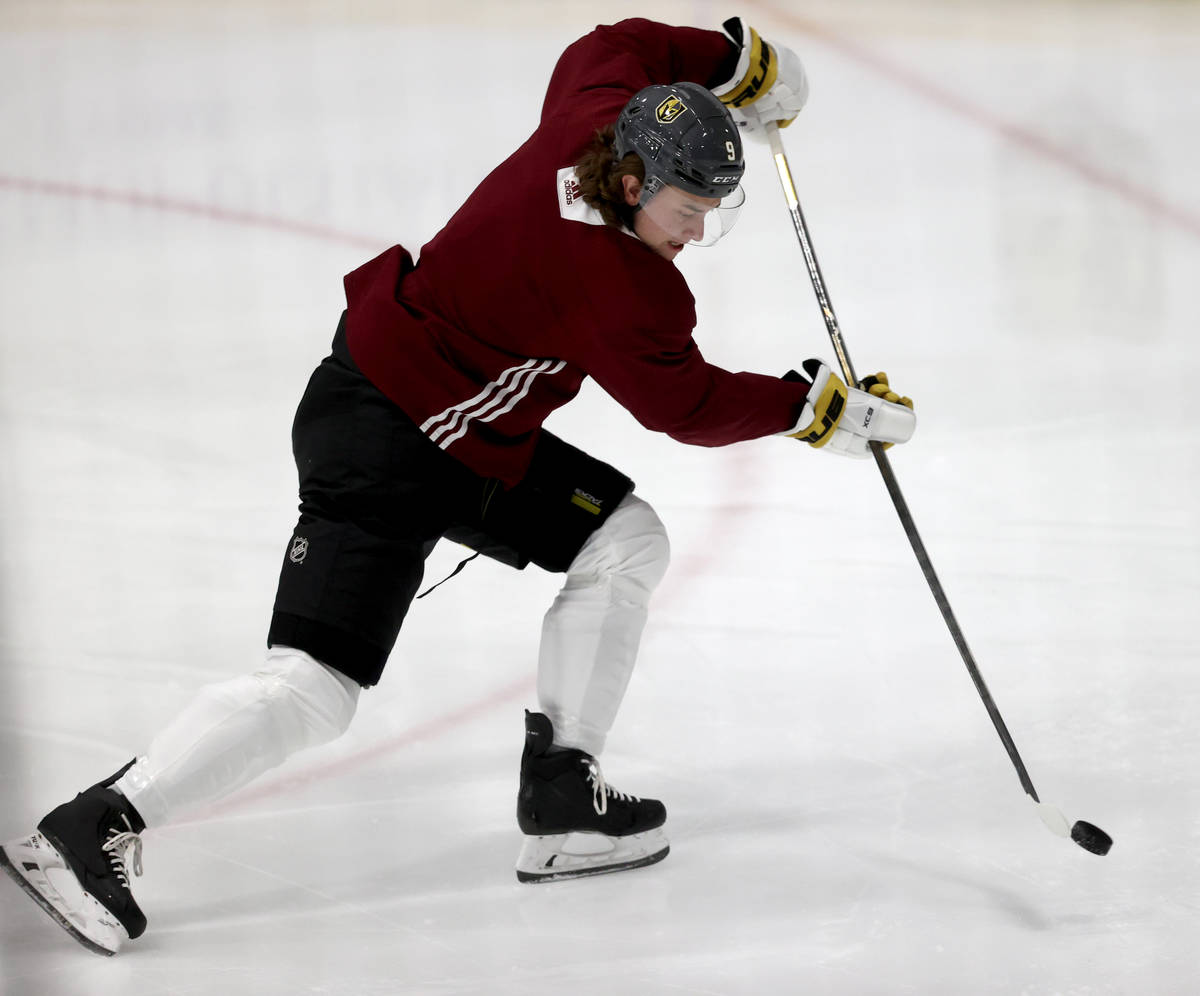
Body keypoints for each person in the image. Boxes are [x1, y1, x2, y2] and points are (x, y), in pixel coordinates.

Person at [0, 16, 915, 956]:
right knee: (313, 689)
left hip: (456, 433)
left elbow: (615, 44)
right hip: (388, 438)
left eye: (714, 211)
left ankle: (562, 795)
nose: (698, 231)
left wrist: (733, 62)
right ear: (632, 183)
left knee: (624, 539)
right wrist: (813, 409)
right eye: (689, 209)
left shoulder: (591, 115)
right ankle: (88, 829)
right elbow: (686, 405)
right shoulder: (619, 282)